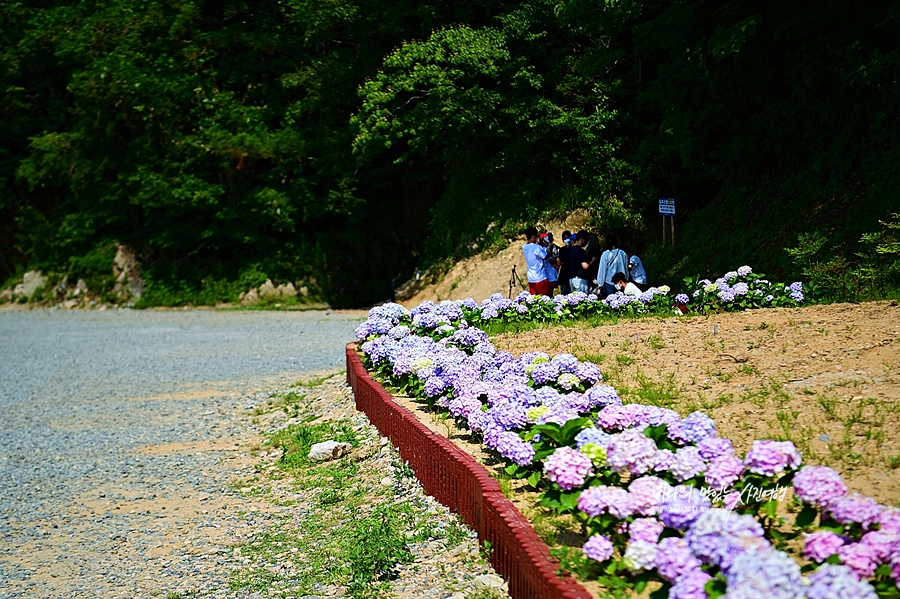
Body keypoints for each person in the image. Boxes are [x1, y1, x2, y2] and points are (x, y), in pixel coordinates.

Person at [522, 227, 551, 296]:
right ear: (533, 236)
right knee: (545, 297)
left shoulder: (524, 247)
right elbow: (545, 256)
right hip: (540, 276)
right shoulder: (537, 247)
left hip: (531, 278)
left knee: (535, 299)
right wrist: (550, 247)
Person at [557, 231, 573, 295]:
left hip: (572, 274)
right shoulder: (562, 250)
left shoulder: (573, 249)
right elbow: (560, 262)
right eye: (565, 238)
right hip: (564, 276)